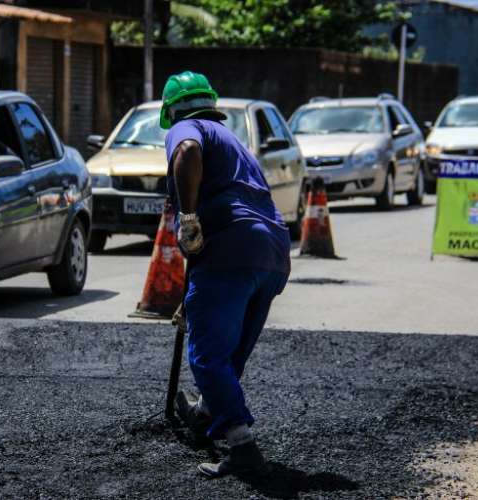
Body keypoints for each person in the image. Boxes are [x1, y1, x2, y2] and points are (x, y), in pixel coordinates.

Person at [161, 71, 291, 478]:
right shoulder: (235, 144)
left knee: (208, 354)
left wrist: (187, 217)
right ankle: (205, 411)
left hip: (232, 246)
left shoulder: (189, 127)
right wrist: (195, 293)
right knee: (230, 354)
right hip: (271, 251)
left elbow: (185, 150)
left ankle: (241, 445)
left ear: (170, 110)